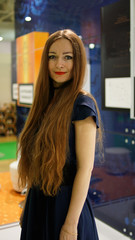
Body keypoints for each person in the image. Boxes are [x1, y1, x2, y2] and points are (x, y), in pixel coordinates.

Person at [18, 29, 103, 240]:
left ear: (78, 61)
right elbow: (37, 166)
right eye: (53, 57)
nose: (59, 65)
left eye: (68, 57)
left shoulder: (82, 104)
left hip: (65, 206)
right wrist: (28, 205)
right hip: (38, 202)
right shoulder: (44, 101)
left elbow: (85, 168)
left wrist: (70, 225)